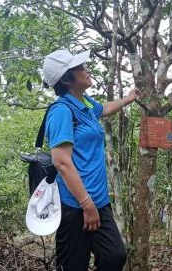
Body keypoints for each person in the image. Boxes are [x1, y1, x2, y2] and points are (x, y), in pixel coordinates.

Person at [42, 49, 140, 271]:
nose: (86, 70)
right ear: (67, 79)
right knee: (74, 265)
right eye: (80, 68)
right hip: (75, 205)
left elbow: (104, 109)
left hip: (99, 201)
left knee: (115, 255)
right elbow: (62, 162)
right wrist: (86, 205)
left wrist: (130, 98)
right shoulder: (61, 111)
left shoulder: (84, 104)